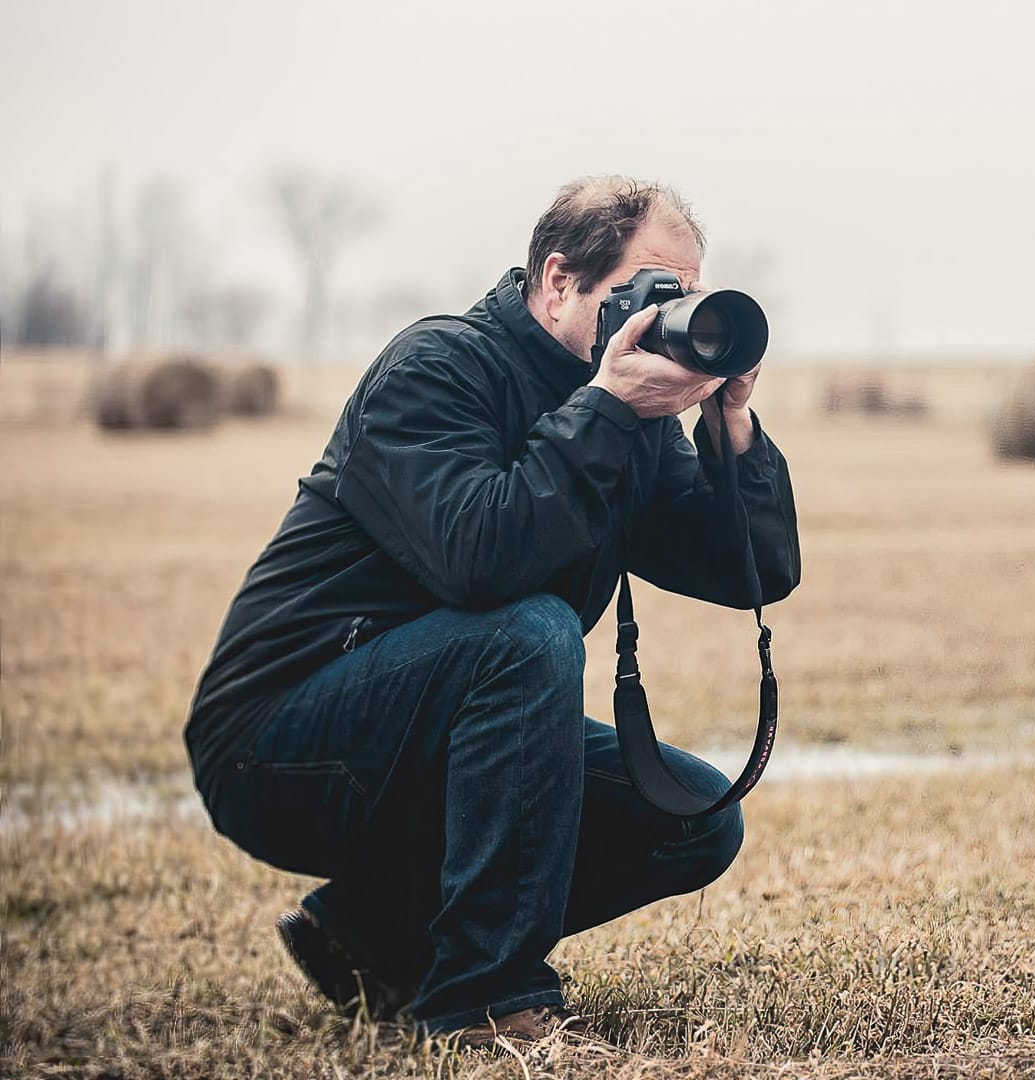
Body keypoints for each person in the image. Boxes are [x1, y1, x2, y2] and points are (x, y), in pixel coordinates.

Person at [183, 177, 801, 1047]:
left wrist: (731, 423)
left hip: (437, 739)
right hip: (280, 742)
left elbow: (753, 571)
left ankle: (370, 937)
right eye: (655, 292)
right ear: (558, 282)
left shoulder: (632, 416)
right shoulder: (437, 367)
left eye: (688, 297)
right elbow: (481, 560)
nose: (673, 318)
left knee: (693, 815)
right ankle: (484, 1002)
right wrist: (609, 412)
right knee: (528, 631)